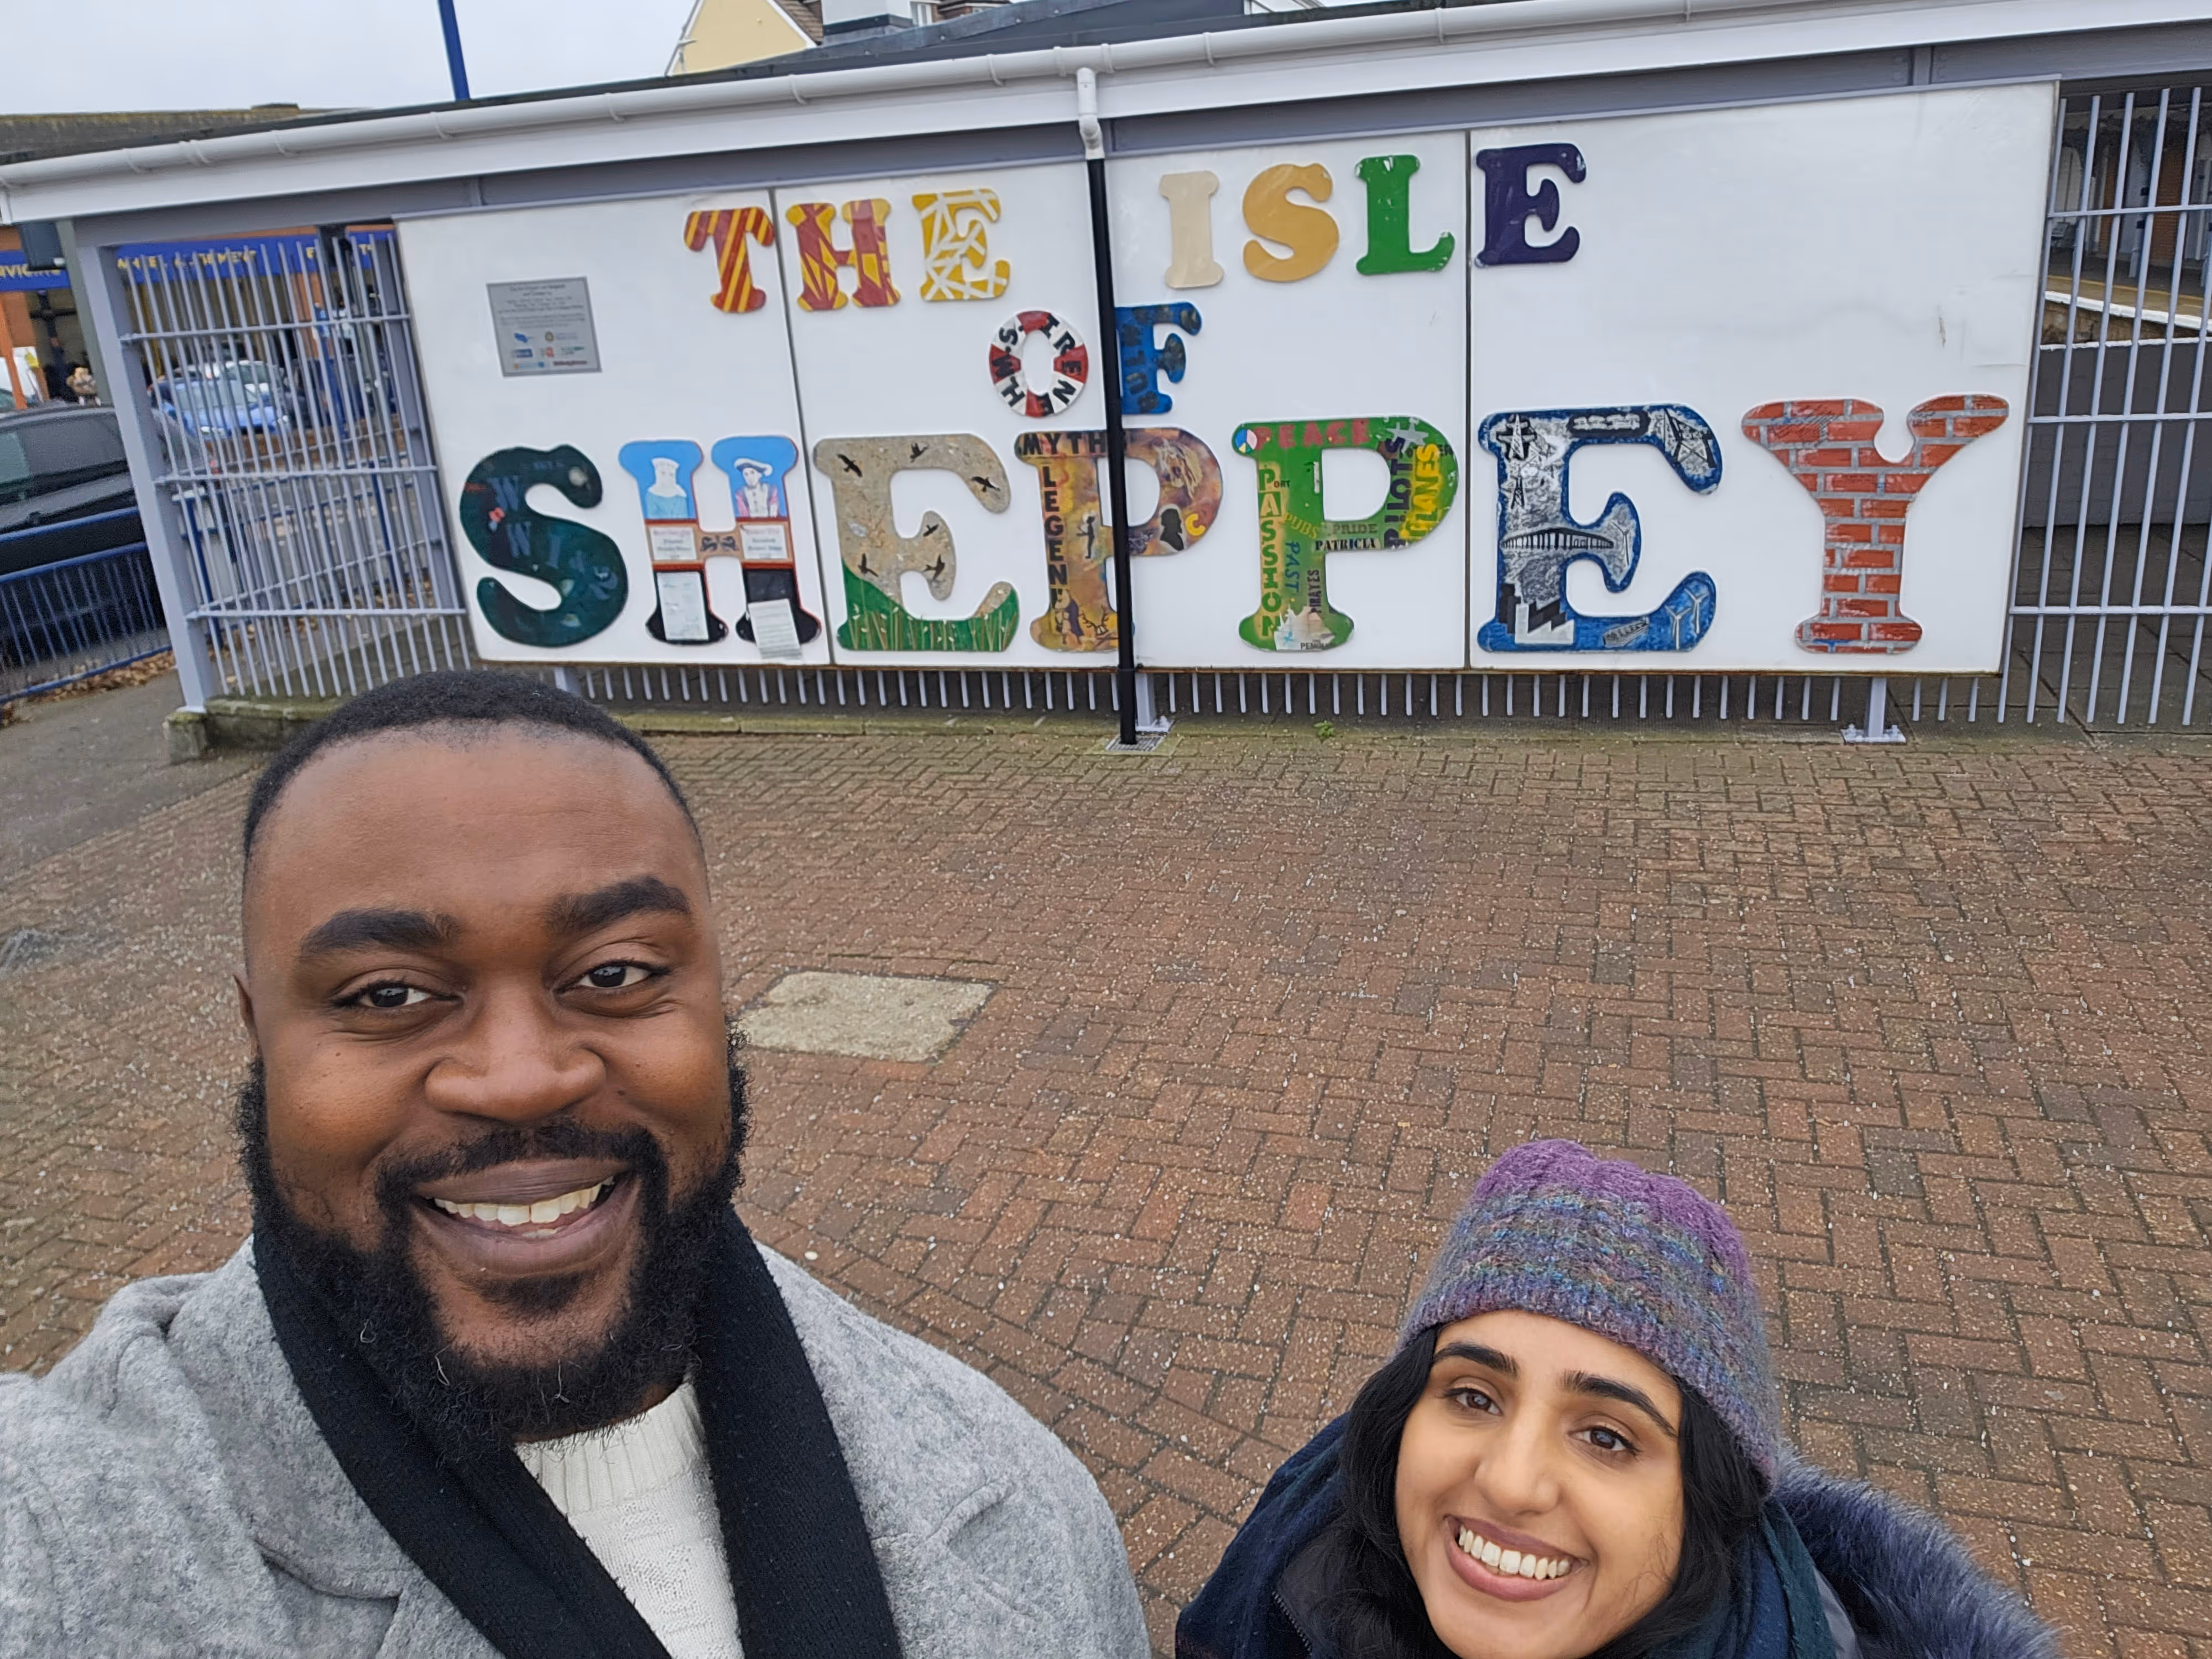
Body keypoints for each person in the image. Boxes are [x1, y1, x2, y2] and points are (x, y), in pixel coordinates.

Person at [0, 671, 1147, 1659]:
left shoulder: (1019, 1494)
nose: (519, 1078)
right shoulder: (68, 1528)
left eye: (613, 974)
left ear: (714, 999)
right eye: (388, 994)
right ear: (260, 1036)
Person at [1178, 1140, 2059, 1659]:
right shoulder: (1291, 1572)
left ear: (1706, 1505)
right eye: (1475, 1396)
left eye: (1605, 1436)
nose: (1515, 1483)